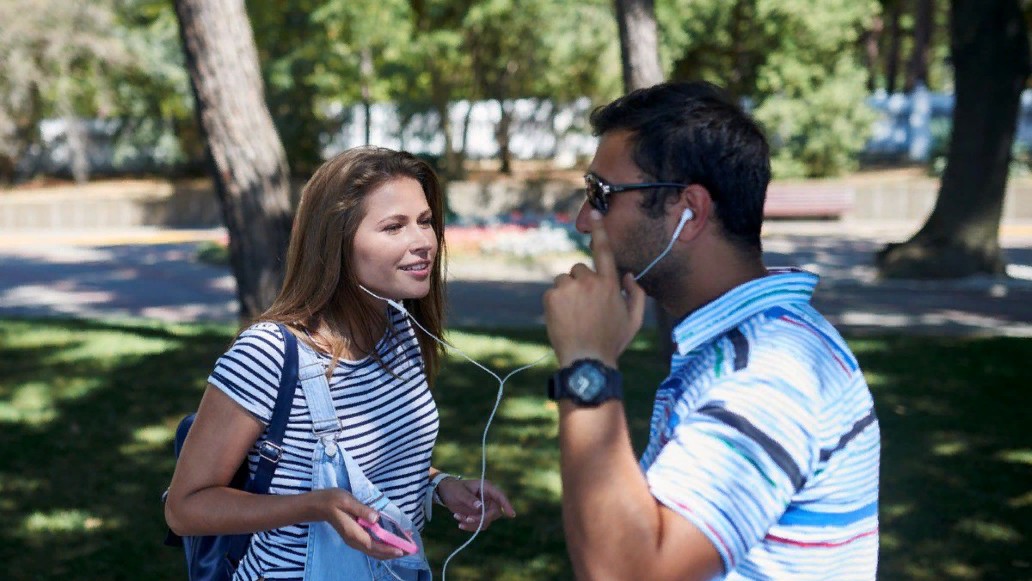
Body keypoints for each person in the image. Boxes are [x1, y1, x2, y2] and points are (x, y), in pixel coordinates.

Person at [542, 81, 880, 580]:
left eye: (602, 194)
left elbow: (628, 573)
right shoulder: (753, 345)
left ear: (689, 212)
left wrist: (586, 367)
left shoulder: (768, 372)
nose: (583, 220)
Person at [165, 146, 515, 580]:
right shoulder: (268, 354)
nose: (424, 241)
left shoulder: (399, 331)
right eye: (393, 227)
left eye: (425, 221)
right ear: (336, 243)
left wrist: (439, 486)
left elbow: (377, 462)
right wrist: (316, 507)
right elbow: (184, 508)